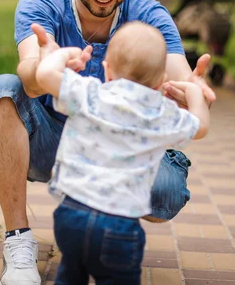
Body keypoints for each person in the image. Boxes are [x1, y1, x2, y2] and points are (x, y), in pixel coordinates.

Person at [0, 0, 216, 285]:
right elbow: (28, 73)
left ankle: (105, 217)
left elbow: (180, 75)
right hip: (53, 142)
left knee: (167, 195)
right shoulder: (41, 1)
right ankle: (18, 241)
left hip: (124, 147)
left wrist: (192, 91)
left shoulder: (150, 14)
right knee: (2, 89)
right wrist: (47, 65)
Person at [34, 21, 210, 284]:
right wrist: (195, 91)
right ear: (162, 82)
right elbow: (200, 127)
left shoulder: (90, 93)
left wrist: (62, 54)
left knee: (70, 273)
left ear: (107, 70)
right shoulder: (161, 114)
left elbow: (44, 75)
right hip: (119, 225)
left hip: (72, 216)